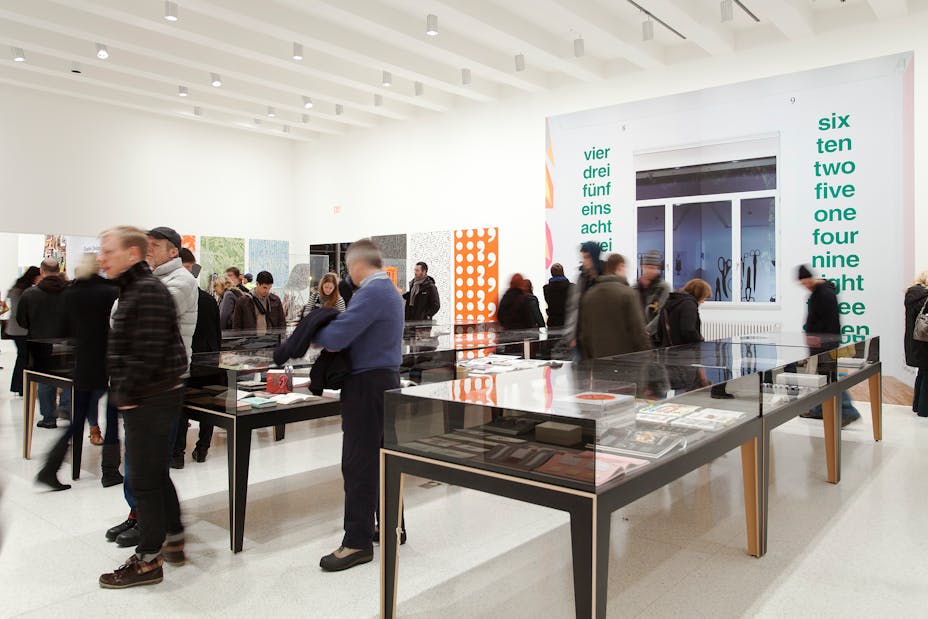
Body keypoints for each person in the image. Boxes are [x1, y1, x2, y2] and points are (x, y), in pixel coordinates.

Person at [97, 226, 189, 589]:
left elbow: (148, 351)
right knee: (153, 475)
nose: (102, 258)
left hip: (150, 398)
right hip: (149, 395)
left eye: (109, 251)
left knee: (144, 480)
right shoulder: (136, 288)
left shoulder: (146, 290)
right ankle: (174, 535)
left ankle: (149, 560)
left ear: (132, 254)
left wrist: (127, 391)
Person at [312, 239, 404, 572]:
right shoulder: (390, 291)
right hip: (385, 381)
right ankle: (393, 525)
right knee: (381, 457)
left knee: (358, 462)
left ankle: (356, 542)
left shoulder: (372, 292)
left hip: (366, 385)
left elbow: (336, 337)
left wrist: (314, 331)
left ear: (356, 265)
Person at [35, 254, 119, 491]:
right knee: (112, 416)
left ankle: (50, 468)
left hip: (83, 363)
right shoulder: (110, 291)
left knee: (77, 420)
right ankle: (110, 471)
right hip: (110, 362)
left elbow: (63, 328)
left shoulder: (70, 293)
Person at [796, 265, 861, 426]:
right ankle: (819, 409)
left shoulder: (824, 294)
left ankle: (848, 410)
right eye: (803, 284)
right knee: (823, 378)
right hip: (820, 342)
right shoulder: (818, 292)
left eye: (806, 282)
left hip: (824, 343)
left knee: (829, 377)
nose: (805, 286)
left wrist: (820, 339)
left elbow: (831, 321)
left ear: (811, 278)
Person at [174, 249, 220, 466]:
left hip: (189, 359)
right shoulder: (209, 300)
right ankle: (202, 449)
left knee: (182, 407)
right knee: (208, 405)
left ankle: (177, 454)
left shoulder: (179, 299)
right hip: (209, 360)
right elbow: (217, 334)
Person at [17, 258, 70, 428]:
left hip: (40, 341)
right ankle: (66, 408)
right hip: (65, 340)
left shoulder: (30, 294)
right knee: (67, 377)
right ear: (59, 270)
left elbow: (21, 321)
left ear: (41, 271)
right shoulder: (69, 292)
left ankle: (48, 418)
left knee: (45, 380)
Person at [579, 254, 650, 359]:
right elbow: (638, 332)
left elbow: (584, 336)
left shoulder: (589, 296)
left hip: (598, 362)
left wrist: (589, 361)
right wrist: (647, 357)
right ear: (620, 267)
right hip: (627, 363)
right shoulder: (629, 294)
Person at [147, 227, 198, 363]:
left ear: (173, 252)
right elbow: (118, 318)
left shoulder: (183, 280)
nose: (148, 249)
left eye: (155, 245)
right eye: (147, 244)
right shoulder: (151, 277)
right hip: (150, 365)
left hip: (168, 367)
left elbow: (148, 317)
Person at [564, 241, 606, 355]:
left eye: (587, 257)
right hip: (580, 338)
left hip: (599, 338)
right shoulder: (581, 278)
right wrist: (572, 335)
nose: (585, 261)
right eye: (583, 257)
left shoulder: (604, 278)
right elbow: (574, 307)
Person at [6, 266, 40, 396]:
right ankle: (20, 386)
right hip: (21, 329)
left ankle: (19, 386)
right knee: (24, 357)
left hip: (16, 329)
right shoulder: (22, 291)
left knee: (22, 356)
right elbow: (20, 312)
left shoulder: (18, 289)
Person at [654, 279, 711, 347]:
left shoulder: (669, 301)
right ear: (699, 294)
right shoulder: (689, 305)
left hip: (667, 348)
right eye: (704, 298)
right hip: (684, 349)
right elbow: (689, 330)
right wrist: (699, 340)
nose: (703, 302)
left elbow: (660, 330)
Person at [635, 250, 672, 342]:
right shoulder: (635, 288)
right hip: (637, 336)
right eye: (649, 267)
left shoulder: (663, 288)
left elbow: (662, 313)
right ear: (642, 266)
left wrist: (647, 331)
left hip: (656, 337)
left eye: (654, 268)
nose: (651, 271)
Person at [905, 270, 928, 417]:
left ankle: (917, 405)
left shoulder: (912, 295)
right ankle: (924, 410)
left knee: (922, 372)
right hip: (925, 341)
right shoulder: (925, 297)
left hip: (916, 340)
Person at [543, 263, 572, 328]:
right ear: (563, 272)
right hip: (568, 321)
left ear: (551, 273)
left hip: (552, 322)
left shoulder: (546, 288)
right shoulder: (571, 287)